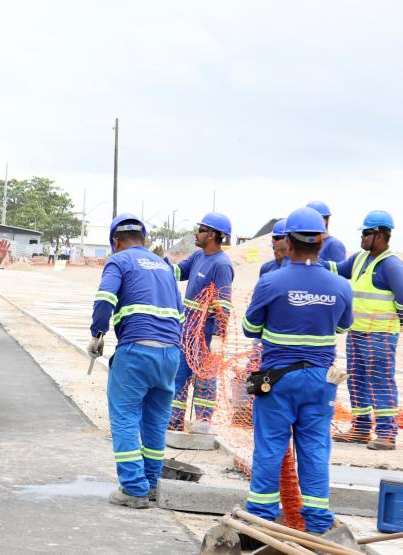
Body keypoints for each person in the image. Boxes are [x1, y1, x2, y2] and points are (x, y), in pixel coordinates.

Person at [241, 206, 353, 534]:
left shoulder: (271, 281)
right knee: (315, 448)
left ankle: (259, 519)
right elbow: (344, 324)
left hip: (277, 381)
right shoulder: (339, 286)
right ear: (321, 241)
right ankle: (318, 523)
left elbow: (250, 327)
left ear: (288, 242)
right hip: (321, 381)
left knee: (270, 447)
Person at [89, 213, 184, 509]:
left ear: (116, 242)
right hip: (170, 353)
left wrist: (98, 333)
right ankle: (152, 484)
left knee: (126, 418)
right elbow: (180, 311)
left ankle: (133, 488)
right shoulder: (165, 266)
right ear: (143, 239)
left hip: (136, 352)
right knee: (155, 421)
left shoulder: (119, 261)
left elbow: (105, 298)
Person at [332, 210, 403, 450]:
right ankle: (361, 428)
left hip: (380, 335)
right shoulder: (359, 259)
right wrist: (309, 260)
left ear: (379, 235)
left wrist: (396, 322)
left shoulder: (391, 265)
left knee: (380, 381)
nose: (362, 237)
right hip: (357, 332)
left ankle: (387, 433)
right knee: (356, 380)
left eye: (366, 233)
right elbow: (335, 270)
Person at [168, 212, 234, 432]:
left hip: (206, 334)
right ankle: (174, 420)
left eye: (202, 230)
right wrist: (161, 264)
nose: (197, 233)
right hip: (187, 332)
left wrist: (218, 335)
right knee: (179, 376)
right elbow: (178, 272)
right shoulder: (198, 256)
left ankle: (203, 422)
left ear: (213, 235)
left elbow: (223, 305)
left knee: (205, 380)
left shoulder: (221, 265)